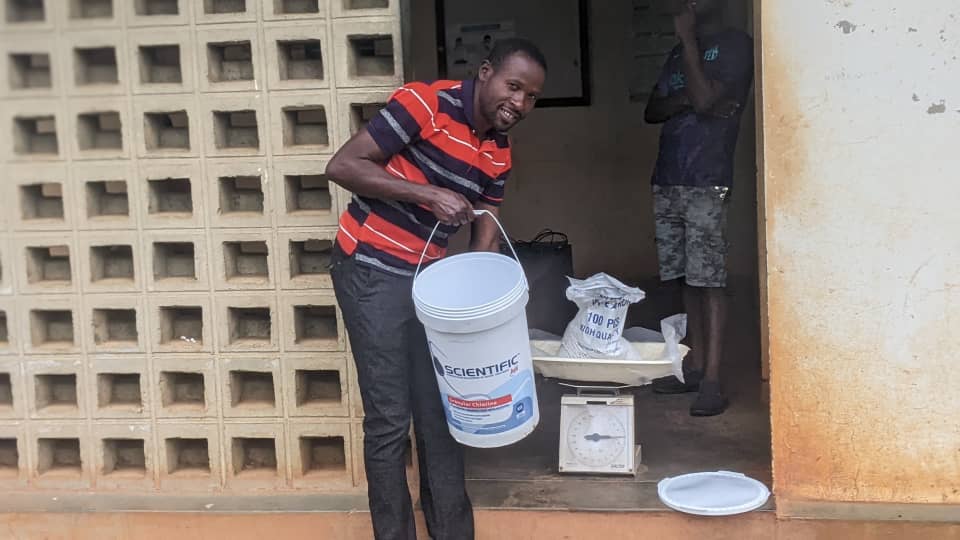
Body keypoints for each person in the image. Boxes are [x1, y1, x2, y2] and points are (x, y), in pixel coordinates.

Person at [325, 38, 547, 539]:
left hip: (429, 287)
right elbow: (343, 166)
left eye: (531, 96)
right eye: (513, 86)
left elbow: (486, 230)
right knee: (388, 419)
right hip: (370, 270)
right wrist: (428, 194)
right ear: (486, 72)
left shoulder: (499, 151)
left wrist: (479, 309)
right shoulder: (425, 103)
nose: (519, 102)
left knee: (442, 411)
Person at [644, 0, 754, 416]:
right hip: (668, 176)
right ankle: (693, 367)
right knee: (684, 280)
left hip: (708, 179)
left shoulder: (735, 46)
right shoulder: (676, 54)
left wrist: (688, 41)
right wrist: (690, 96)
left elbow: (707, 101)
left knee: (710, 281)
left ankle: (712, 381)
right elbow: (652, 110)